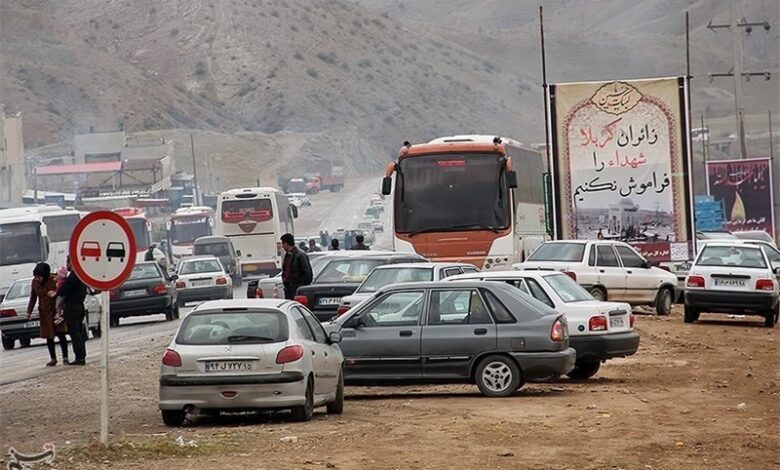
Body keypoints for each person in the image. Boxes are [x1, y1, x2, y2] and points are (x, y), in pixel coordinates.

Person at [26, 263, 69, 366]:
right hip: (44, 313)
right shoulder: (34, 283)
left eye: (39, 276)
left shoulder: (54, 279)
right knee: (49, 336)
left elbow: (62, 292)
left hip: (56, 311)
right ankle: (53, 358)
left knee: (61, 334)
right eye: (35, 276)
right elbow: (33, 297)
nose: (37, 279)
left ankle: (65, 357)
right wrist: (29, 311)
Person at [58, 257, 88, 365]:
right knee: (78, 332)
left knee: (75, 333)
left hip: (72, 307)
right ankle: (81, 356)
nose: (67, 265)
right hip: (79, 306)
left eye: (68, 262)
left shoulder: (73, 276)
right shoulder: (81, 275)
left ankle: (79, 357)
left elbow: (63, 290)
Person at [280, 233, 313, 300]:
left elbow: (308, 274)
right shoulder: (287, 255)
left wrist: (301, 287)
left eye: (282, 244)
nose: (282, 247)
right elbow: (285, 271)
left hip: (297, 290)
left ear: (286, 243)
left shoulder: (300, 255)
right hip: (289, 290)